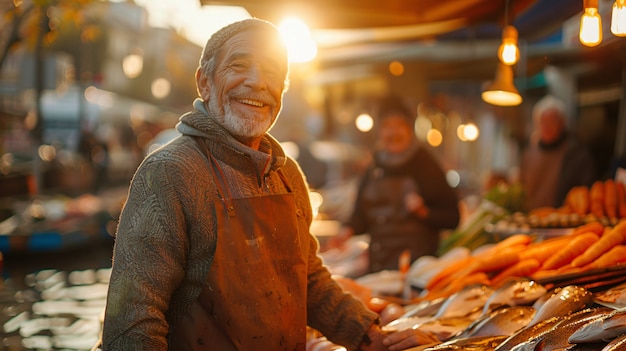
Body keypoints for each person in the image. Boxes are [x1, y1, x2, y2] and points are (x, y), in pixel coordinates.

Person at [100, 18, 423, 351]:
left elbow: (308, 281)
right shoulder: (169, 173)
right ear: (204, 83)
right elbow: (134, 320)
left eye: (271, 71)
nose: (257, 82)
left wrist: (369, 336)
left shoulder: (288, 175)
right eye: (238, 66)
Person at [332, 96, 460, 274]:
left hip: (415, 269)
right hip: (378, 266)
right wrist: (347, 230)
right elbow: (360, 216)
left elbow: (453, 218)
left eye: (399, 126)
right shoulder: (374, 166)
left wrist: (424, 212)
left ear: (409, 129)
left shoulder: (425, 163)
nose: (393, 133)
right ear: (379, 131)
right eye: (387, 127)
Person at [520, 95, 597, 210]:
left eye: (551, 121)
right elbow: (522, 188)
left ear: (562, 123)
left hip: (562, 222)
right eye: (542, 121)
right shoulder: (529, 154)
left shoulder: (577, 155)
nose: (546, 126)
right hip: (531, 220)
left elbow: (587, 192)